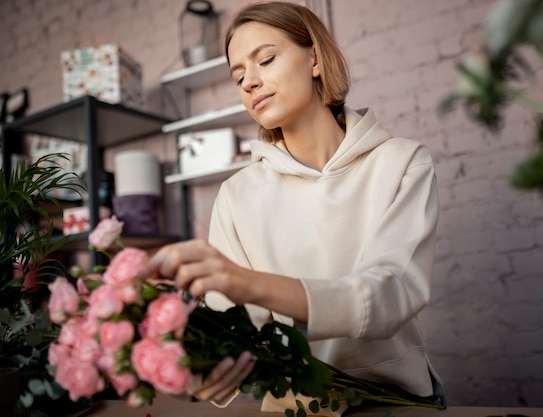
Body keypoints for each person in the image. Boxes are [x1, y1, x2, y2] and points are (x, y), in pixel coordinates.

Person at [145, 0, 445, 413]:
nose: (250, 81)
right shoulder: (236, 196)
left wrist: (246, 283)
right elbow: (232, 336)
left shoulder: (402, 163)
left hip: (395, 400)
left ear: (315, 59)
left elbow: (390, 293)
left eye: (265, 59)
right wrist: (190, 368)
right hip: (296, 408)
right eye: (238, 75)